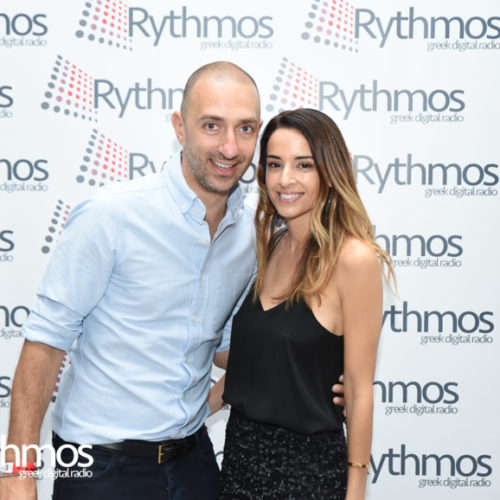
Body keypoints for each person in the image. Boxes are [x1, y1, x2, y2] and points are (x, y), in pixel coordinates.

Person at [0, 63, 345, 500]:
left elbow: (230, 349)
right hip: (99, 466)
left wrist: (322, 377)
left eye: (244, 129)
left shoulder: (254, 231)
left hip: (194, 462)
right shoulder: (111, 216)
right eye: (212, 125)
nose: (229, 147)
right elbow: (45, 343)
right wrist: (17, 471)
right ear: (180, 127)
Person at [218, 109, 394, 499]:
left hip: (307, 473)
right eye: (274, 164)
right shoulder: (271, 244)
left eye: (303, 165)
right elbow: (253, 363)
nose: (285, 179)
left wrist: (356, 491)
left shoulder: (353, 258)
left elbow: (359, 391)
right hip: (238, 461)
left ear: (329, 172)